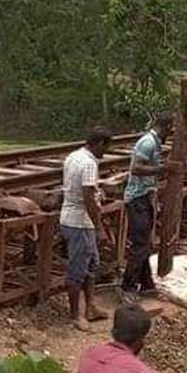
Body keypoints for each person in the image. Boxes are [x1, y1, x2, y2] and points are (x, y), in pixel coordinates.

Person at [61, 127, 114, 331]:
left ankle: (90, 306)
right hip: (81, 222)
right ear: (99, 143)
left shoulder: (73, 156)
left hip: (73, 218)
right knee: (78, 269)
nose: (105, 153)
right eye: (105, 148)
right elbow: (88, 197)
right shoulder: (90, 163)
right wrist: (99, 227)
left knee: (91, 265)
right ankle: (76, 315)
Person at [121, 113, 175, 302]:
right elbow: (136, 168)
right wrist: (164, 169)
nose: (172, 132)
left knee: (144, 243)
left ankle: (146, 284)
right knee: (140, 244)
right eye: (171, 128)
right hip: (137, 199)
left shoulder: (155, 143)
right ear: (166, 126)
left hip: (144, 197)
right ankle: (127, 286)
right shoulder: (148, 142)